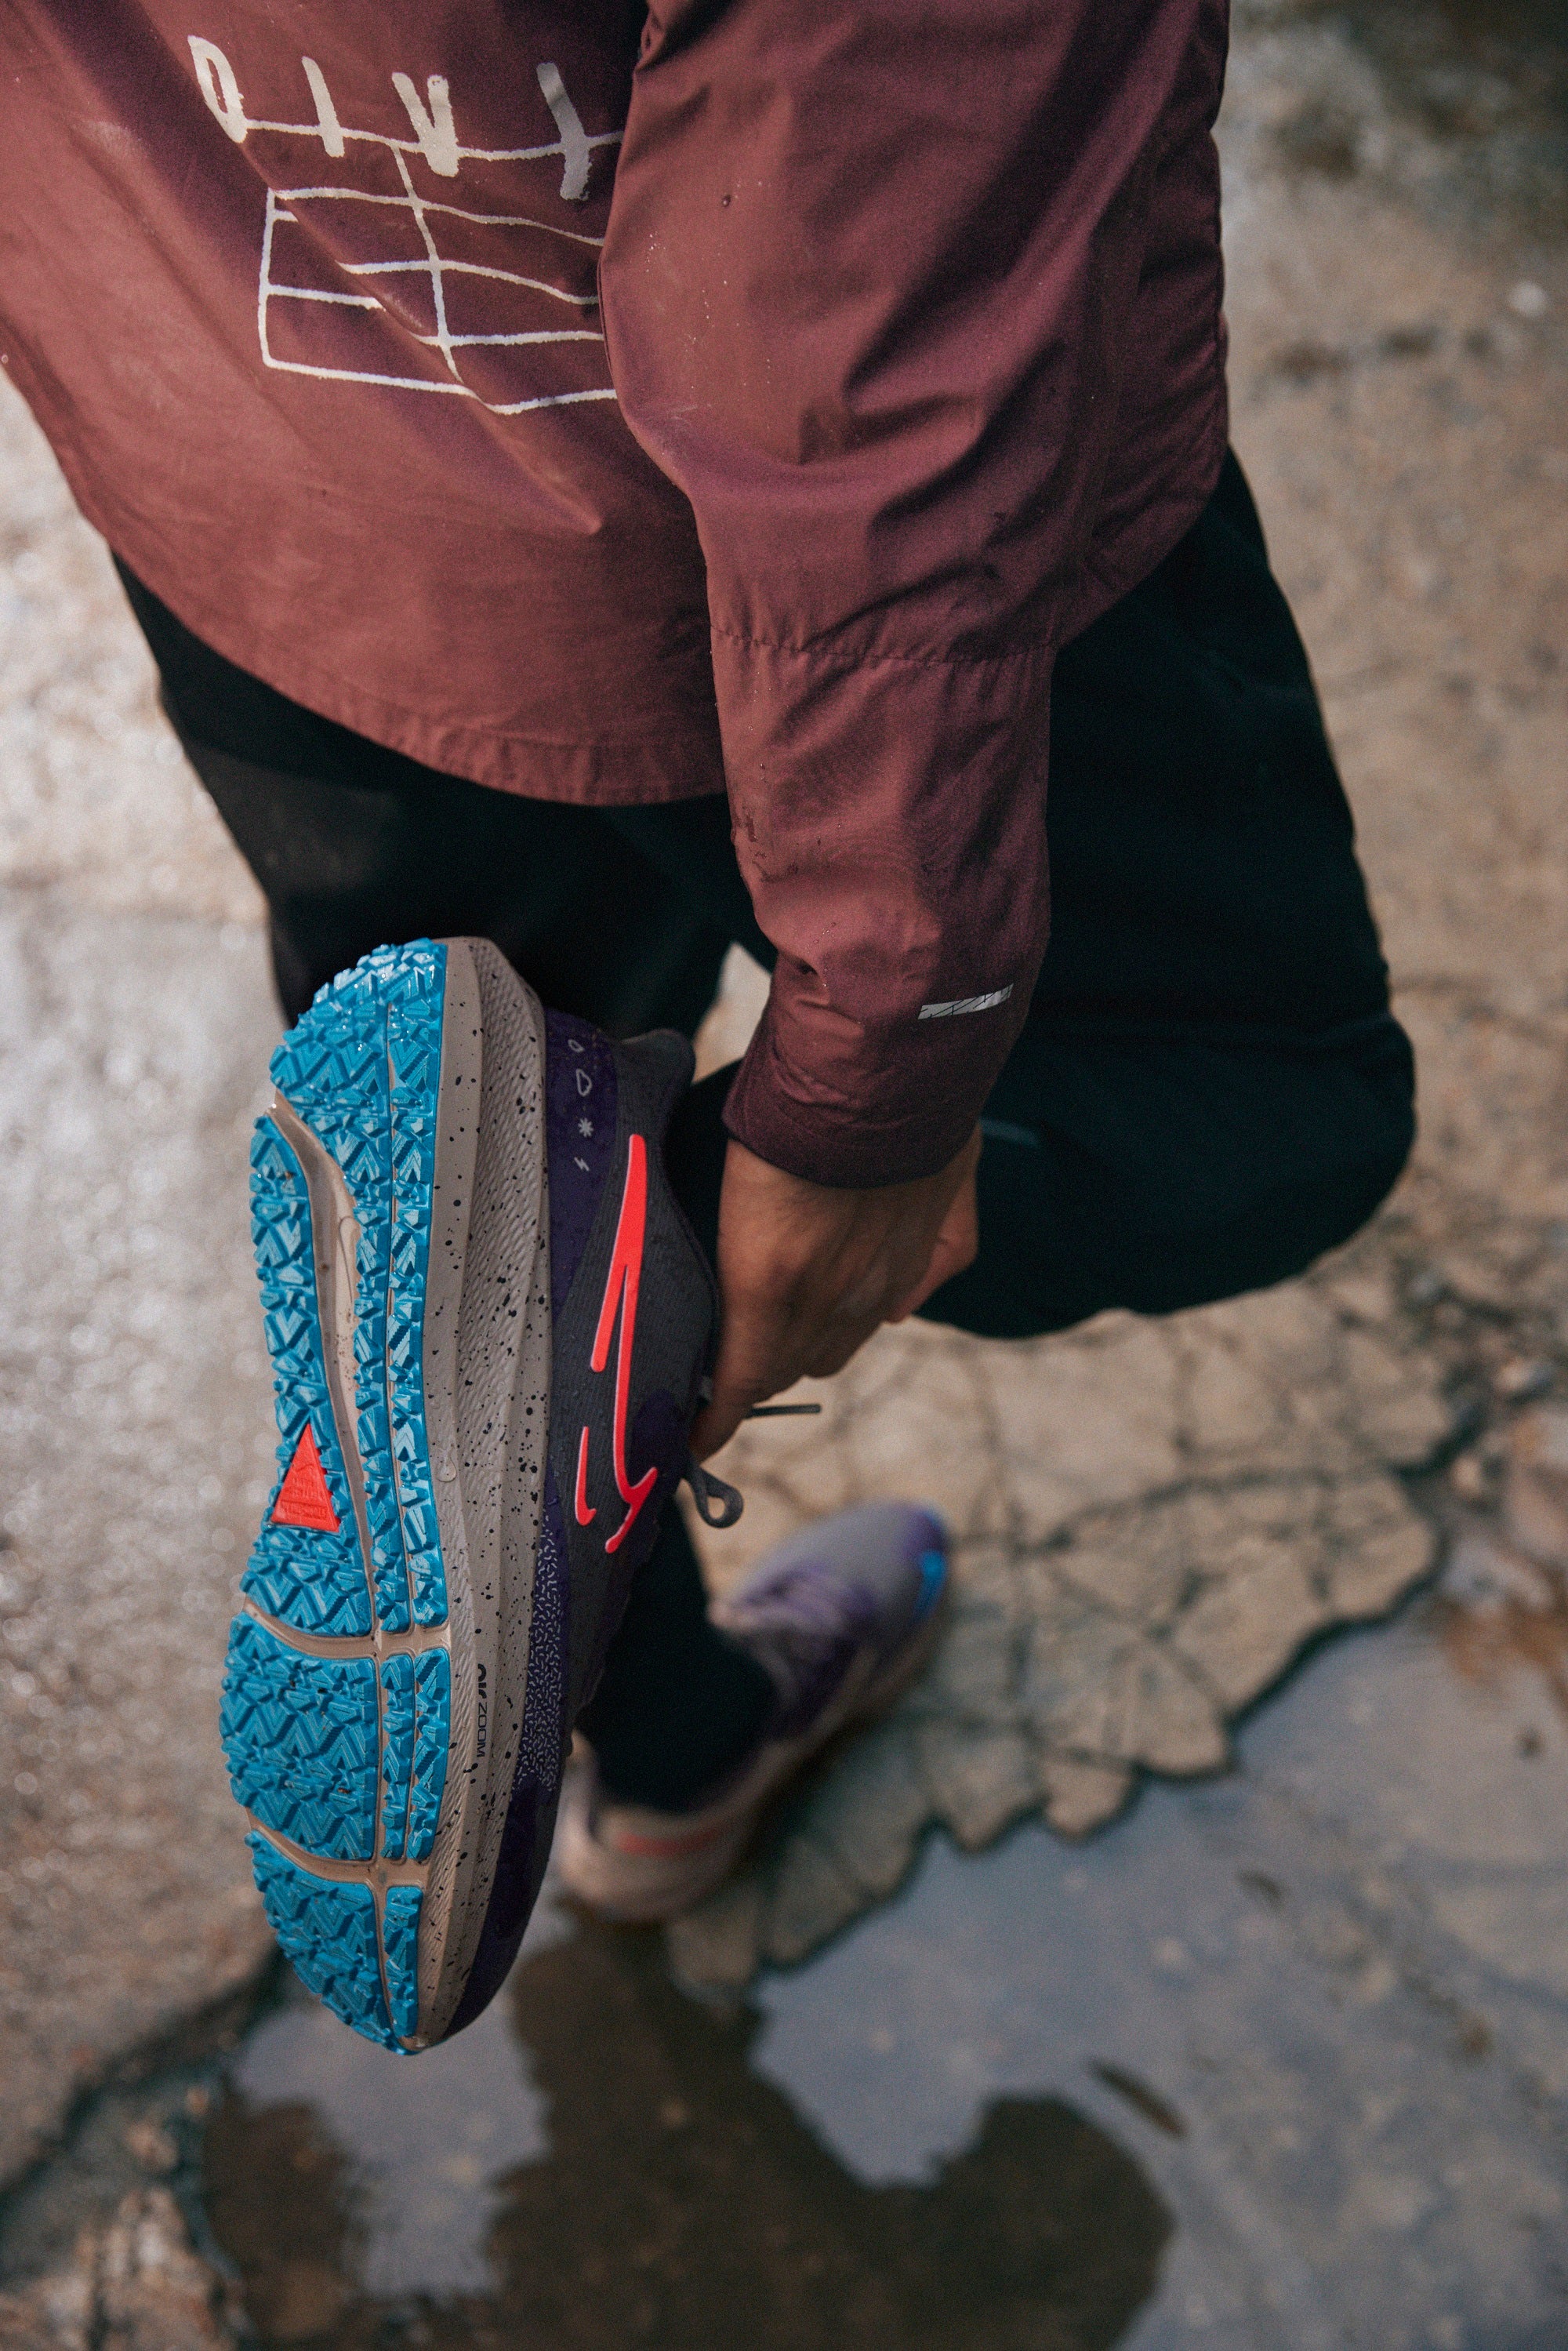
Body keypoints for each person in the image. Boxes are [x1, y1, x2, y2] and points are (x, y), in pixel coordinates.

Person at [1, 3, 1413, 2048]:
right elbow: (870, 272)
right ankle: (585, 1255)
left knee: (482, 1088)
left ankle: (662, 1748)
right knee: (1273, 1103)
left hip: (255, 481)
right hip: (818, 587)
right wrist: (881, 1066)